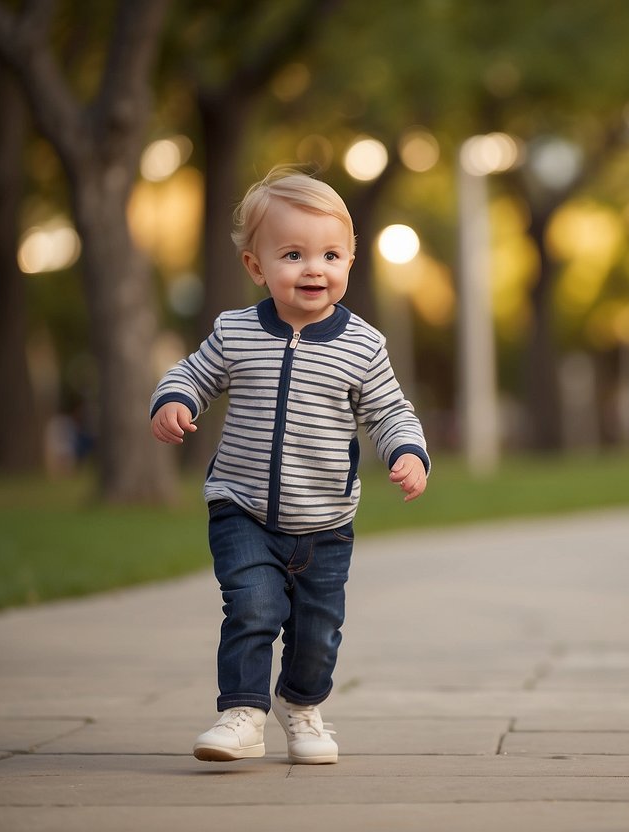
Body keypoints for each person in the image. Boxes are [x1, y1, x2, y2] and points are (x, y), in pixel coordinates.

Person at [150, 166, 429, 766]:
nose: (314, 268)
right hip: (242, 507)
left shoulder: (364, 345)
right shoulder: (236, 331)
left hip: (326, 520)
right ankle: (242, 713)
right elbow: (192, 374)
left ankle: (300, 706)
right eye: (294, 254)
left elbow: (390, 412)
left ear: (351, 261)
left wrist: (407, 451)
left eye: (331, 254)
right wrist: (174, 399)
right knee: (251, 606)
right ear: (256, 267)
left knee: (317, 629)